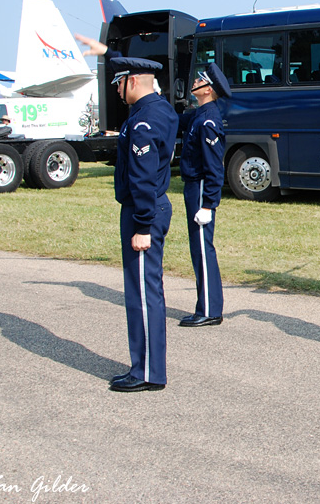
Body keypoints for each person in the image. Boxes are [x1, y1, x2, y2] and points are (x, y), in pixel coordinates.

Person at [106, 56, 179, 392]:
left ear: (132, 81)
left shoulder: (144, 120)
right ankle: (147, 366)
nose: (118, 92)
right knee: (144, 289)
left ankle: (147, 371)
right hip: (147, 208)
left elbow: (143, 176)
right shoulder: (158, 110)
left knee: (142, 293)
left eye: (119, 84)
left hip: (143, 210)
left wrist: (142, 225)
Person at [177, 63, 231, 327]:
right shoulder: (199, 114)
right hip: (192, 186)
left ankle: (210, 309)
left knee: (202, 248)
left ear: (207, 89)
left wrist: (209, 204)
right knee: (197, 248)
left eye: (199, 80)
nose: (194, 82)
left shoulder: (208, 120)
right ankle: (206, 306)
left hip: (200, 189)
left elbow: (214, 168)